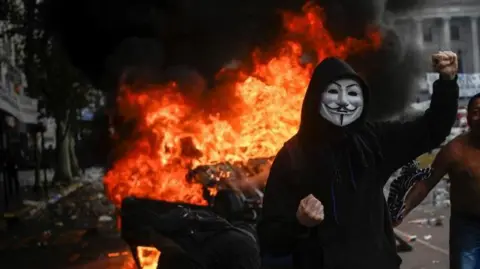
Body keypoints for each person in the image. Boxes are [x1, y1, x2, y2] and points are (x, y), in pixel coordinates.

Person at [258, 51, 459, 269]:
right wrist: (299, 223)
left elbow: (431, 130)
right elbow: (270, 237)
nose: (343, 102)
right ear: (316, 96)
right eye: (333, 92)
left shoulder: (373, 141)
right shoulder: (292, 155)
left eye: (352, 93)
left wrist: (446, 84)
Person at [399, 92, 480, 269]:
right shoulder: (455, 151)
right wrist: (402, 210)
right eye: (476, 112)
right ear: (468, 116)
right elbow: (426, 183)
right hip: (468, 226)